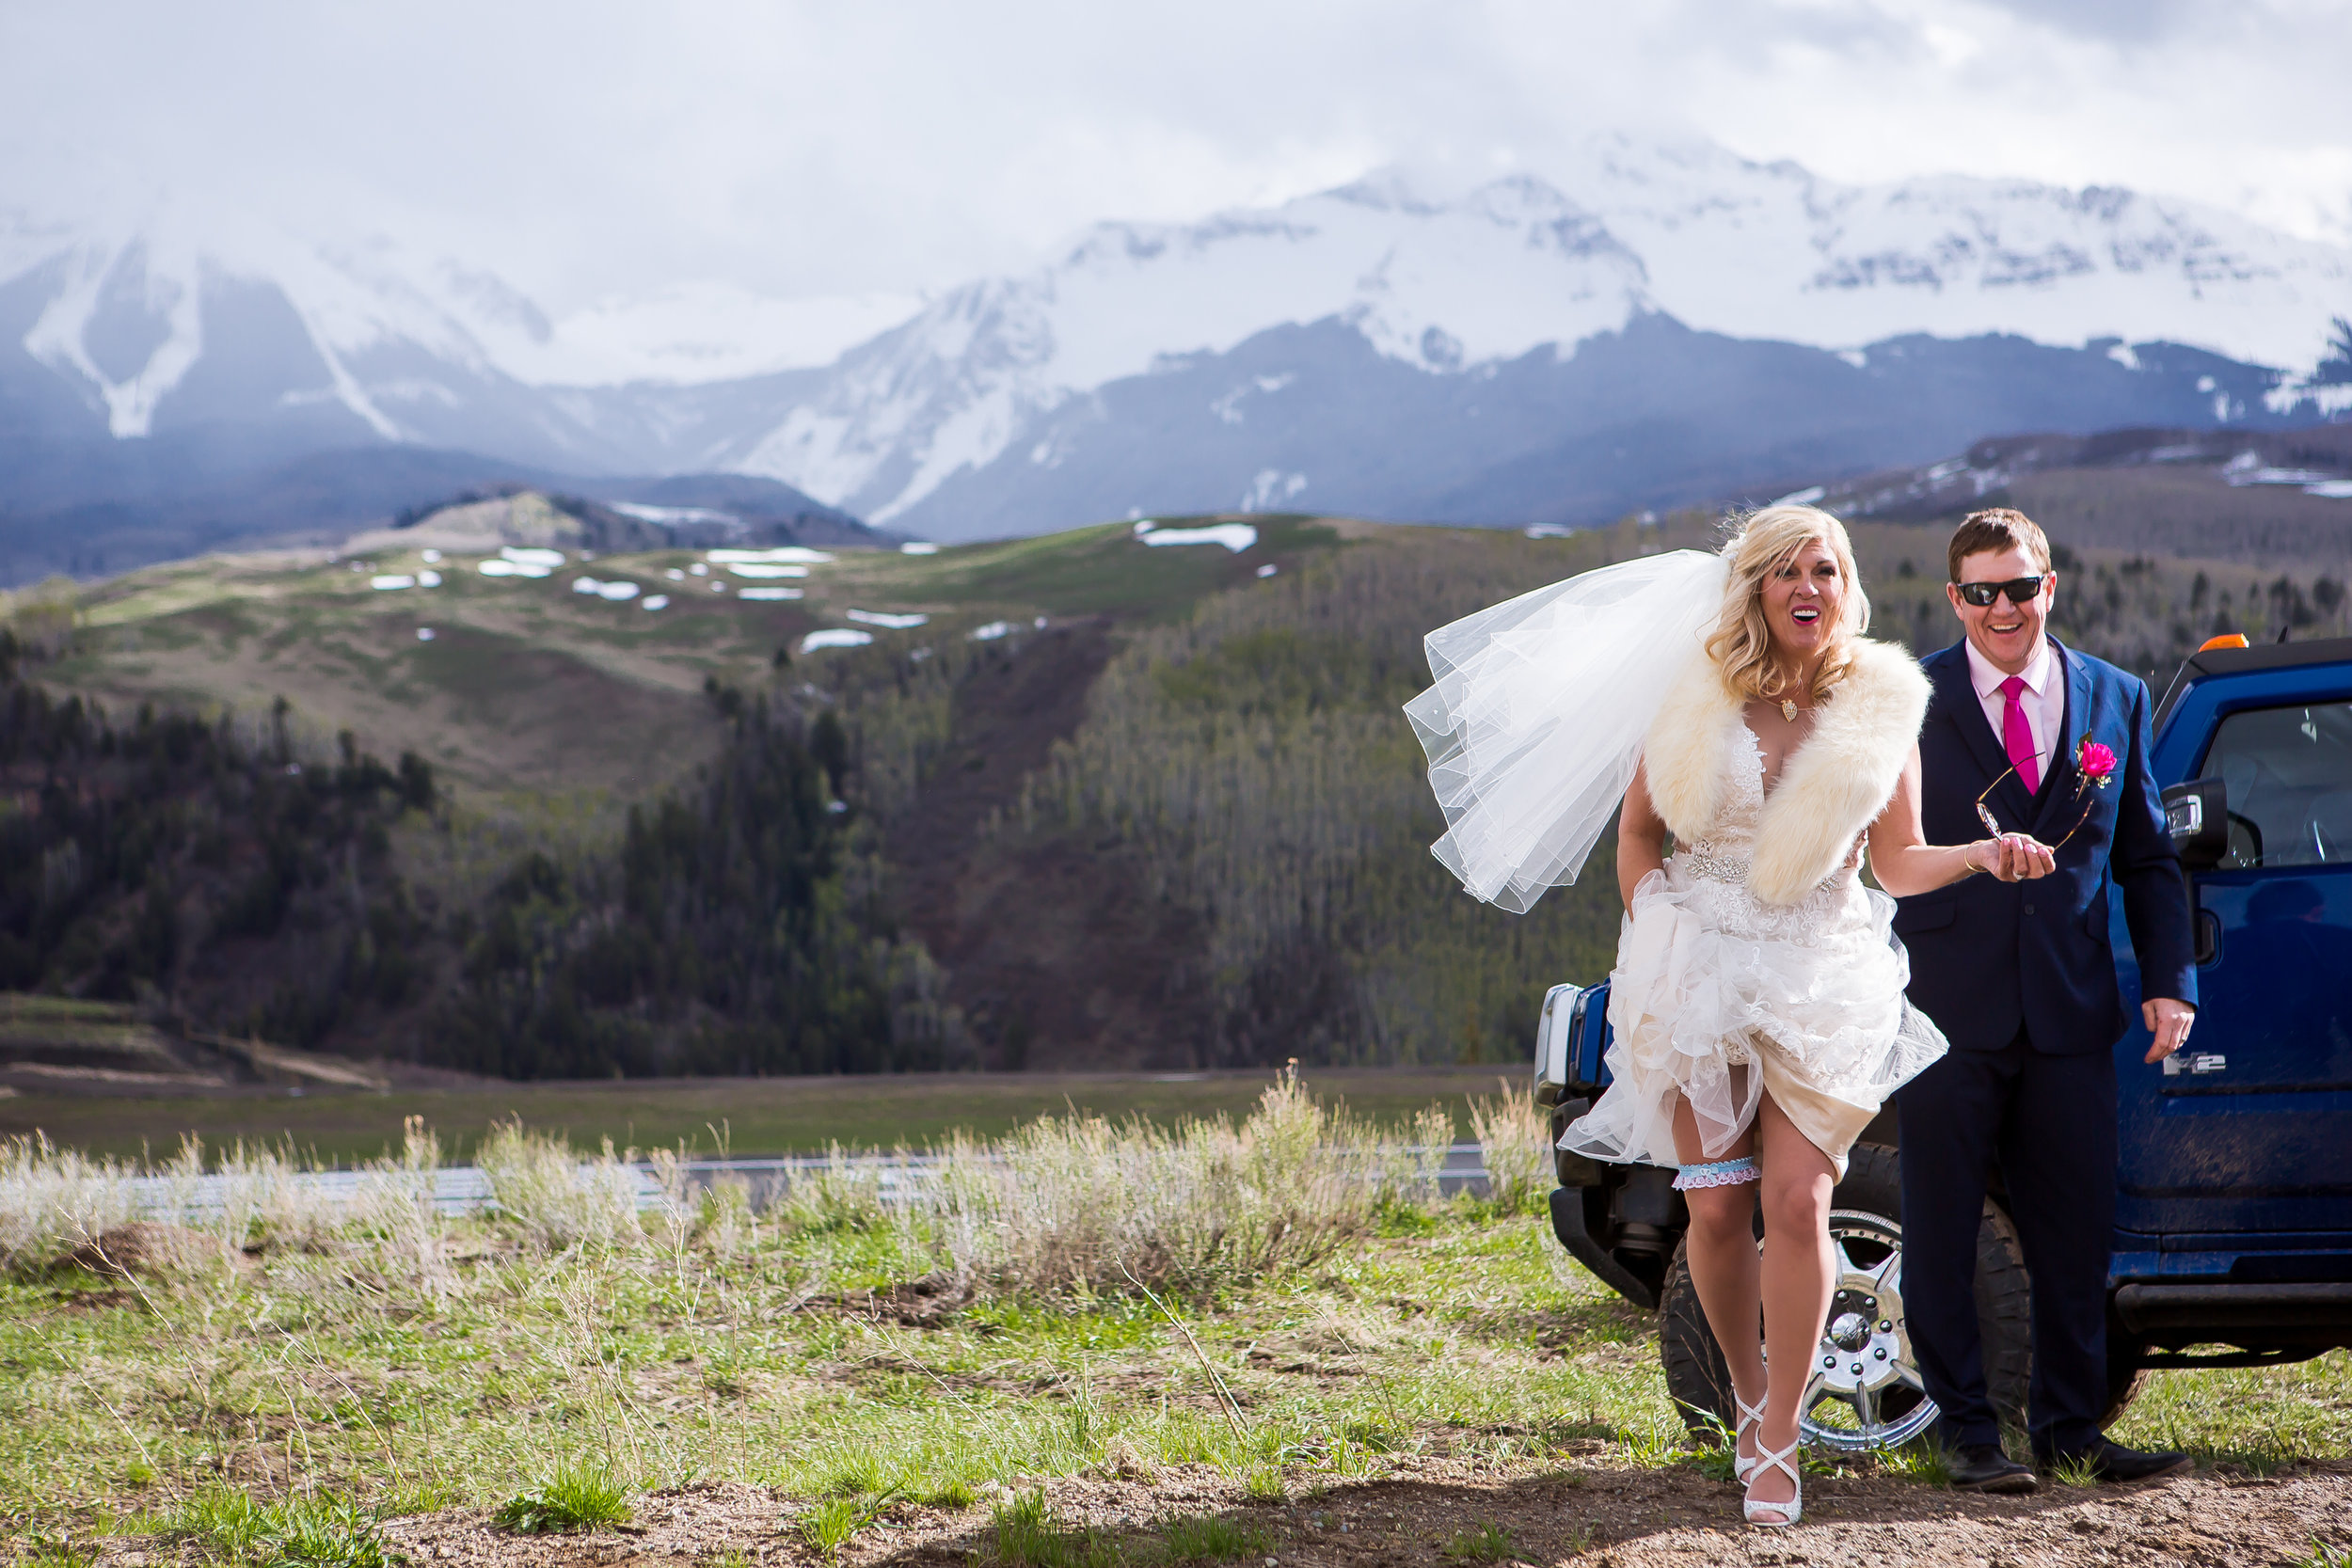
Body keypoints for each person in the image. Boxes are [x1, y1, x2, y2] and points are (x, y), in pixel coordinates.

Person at [1405, 504, 2053, 1527]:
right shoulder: (1693, 698)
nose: (1808, 587)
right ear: (1754, 587)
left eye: (1826, 570)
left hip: (1819, 970)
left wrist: (1979, 854)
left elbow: (1896, 859)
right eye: (1787, 571)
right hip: (1699, 961)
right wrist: (1655, 918)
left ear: (1848, 588)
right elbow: (1638, 833)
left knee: (1798, 1202)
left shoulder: (1883, 707)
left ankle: (1780, 1439)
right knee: (1714, 1205)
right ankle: (1746, 1395)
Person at [1894, 507, 2201, 1493]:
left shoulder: (2113, 694)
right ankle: (1969, 1435)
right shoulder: (1910, 696)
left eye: (2018, 587)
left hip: (2071, 1007)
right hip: (1942, 1006)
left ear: (2049, 586)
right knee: (1940, 1225)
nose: (2001, 608)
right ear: (1955, 599)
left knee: (2073, 1229)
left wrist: (2168, 981)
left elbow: (2148, 859)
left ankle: (2069, 1428)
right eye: (1980, 591)